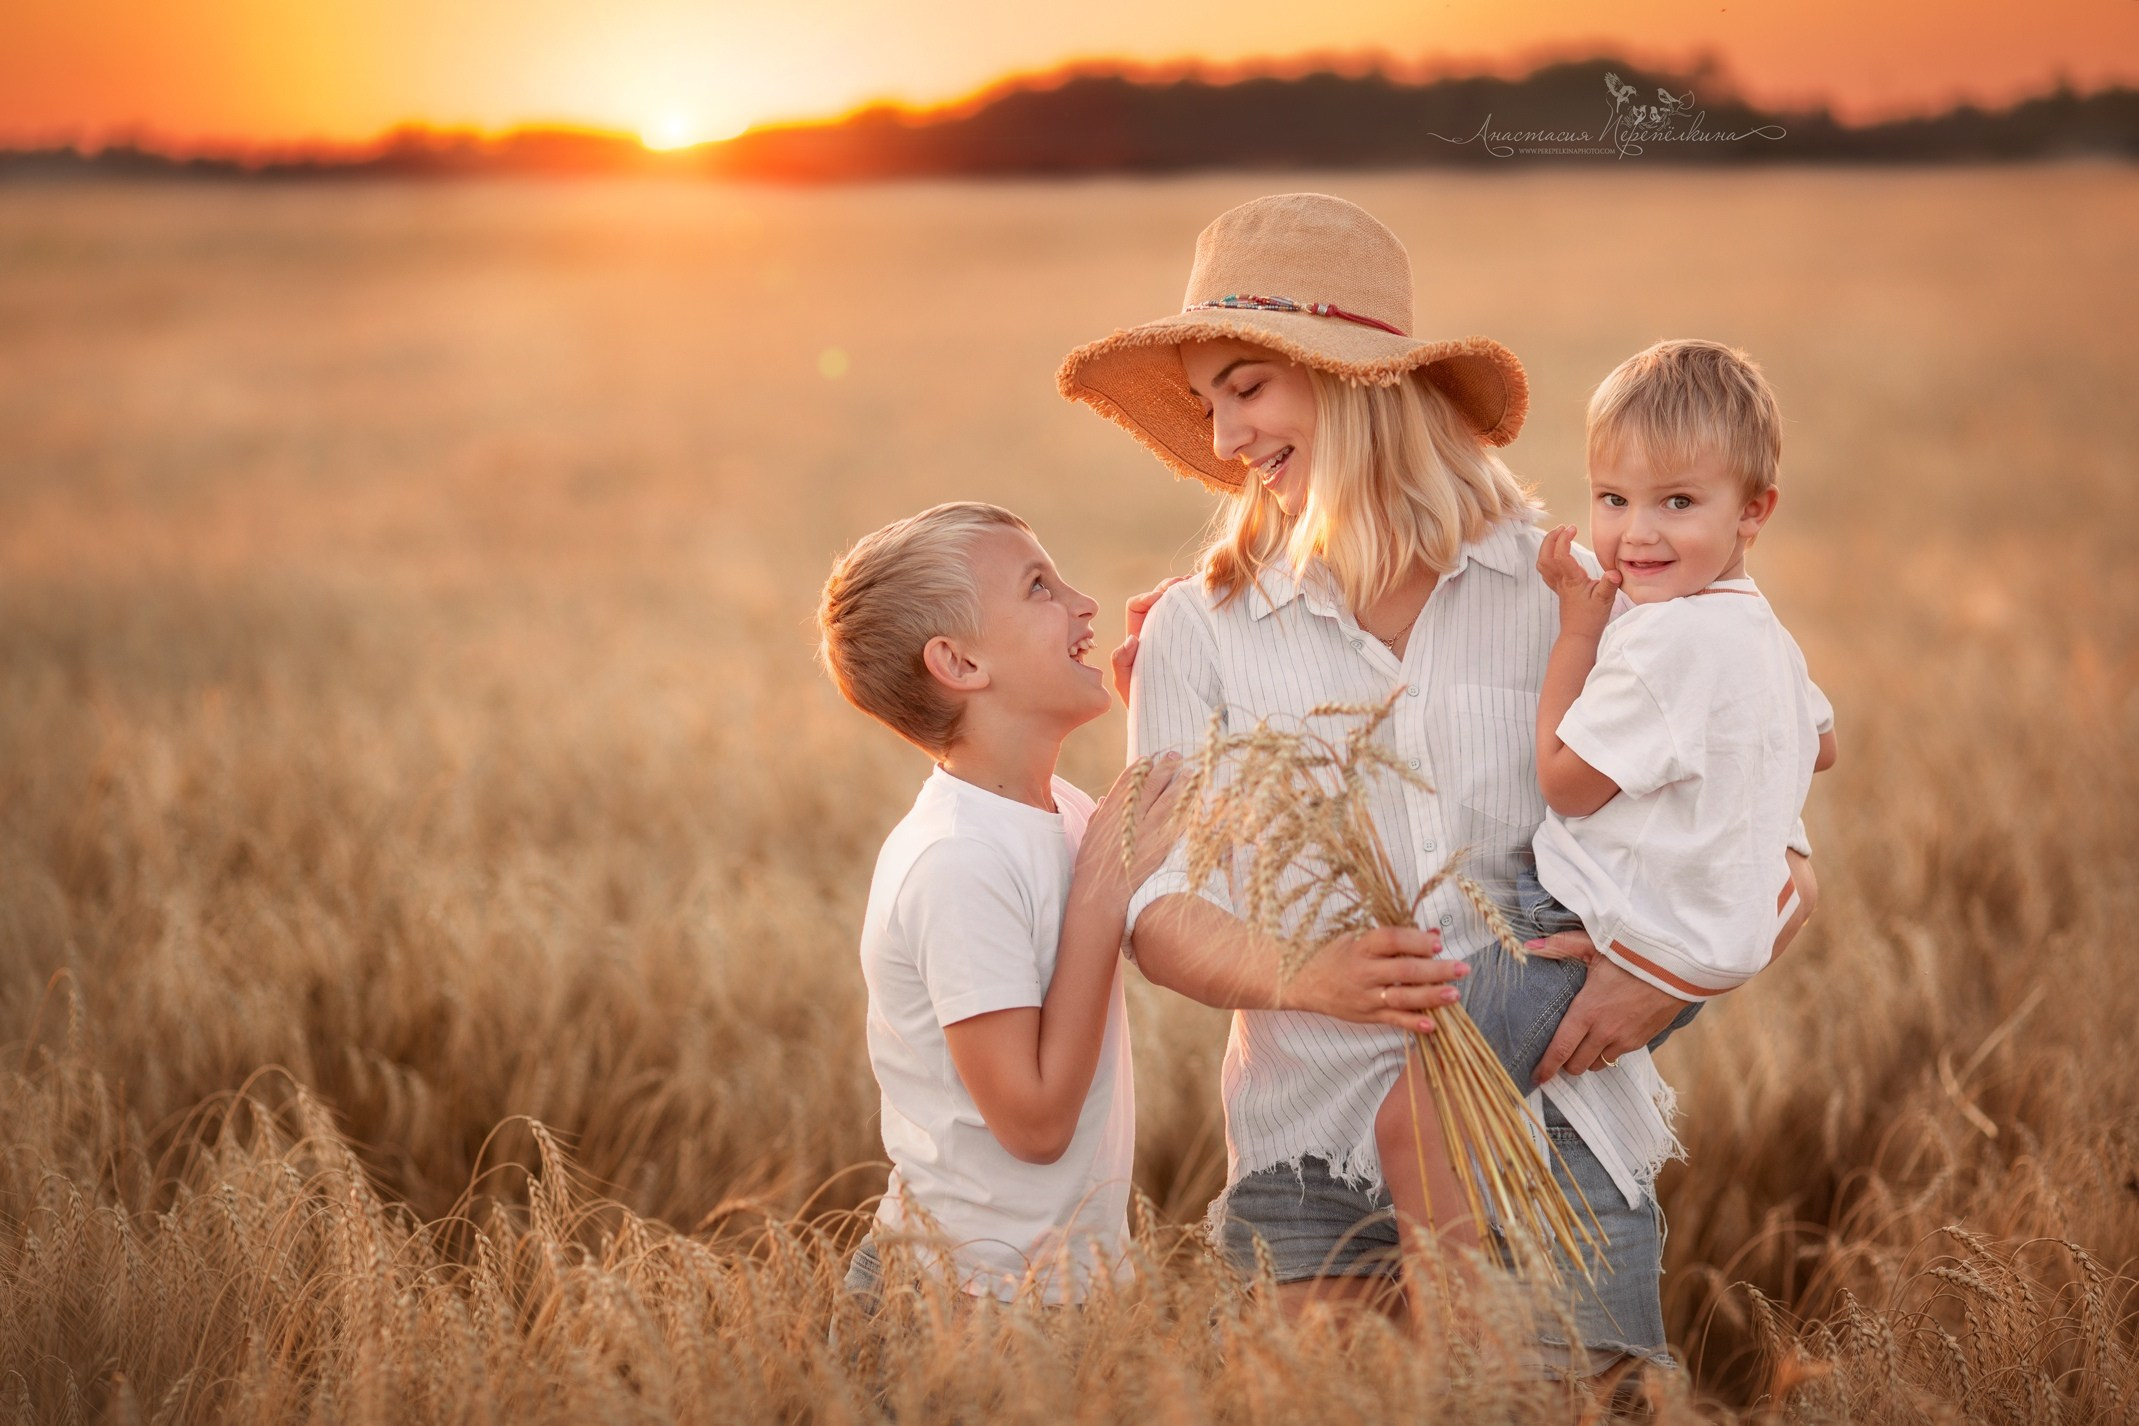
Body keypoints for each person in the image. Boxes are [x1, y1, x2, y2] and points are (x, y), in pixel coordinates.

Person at [1056, 192, 1816, 1374]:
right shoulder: (1200, 630)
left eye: (1247, 386)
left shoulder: (1572, 590)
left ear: (1354, 376)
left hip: (1555, 1125)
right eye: (1208, 403)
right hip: (1307, 1151)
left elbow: (1769, 840)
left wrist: (1659, 990)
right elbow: (1148, 909)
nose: (1222, 440)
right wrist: (1303, 972)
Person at [1372, 338, 1837, 1306]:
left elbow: (1567, 782)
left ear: (1755, 510)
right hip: (1692, 951)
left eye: (1678, 501)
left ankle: (1452, 1352)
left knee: (1415, 1115)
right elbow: (1818, 745)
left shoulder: (1664, 639)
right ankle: (1561, 1344)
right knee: (1543, 1142)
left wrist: (1580, 631)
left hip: (1600, 939)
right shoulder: (1759, 631)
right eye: (1613, 498)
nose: (1635, 534)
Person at [815, 501, 1181, 1306]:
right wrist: (1096, 898)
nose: (1084, 602)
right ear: (958, 663)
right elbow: (1035, 1125)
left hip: (1058, 1300)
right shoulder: (958, 859)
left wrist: (1180, 675)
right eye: (1039, 588)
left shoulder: (1069, 812)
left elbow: (1187, 854)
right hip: (953, 1308)